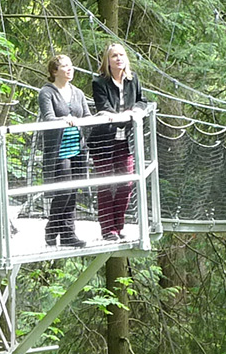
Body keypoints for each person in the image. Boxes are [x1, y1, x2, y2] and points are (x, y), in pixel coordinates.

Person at [89, 42, 146, 241]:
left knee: (126, 183)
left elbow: (141, 100)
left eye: (121, 55)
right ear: (108, 61)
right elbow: (103, 107)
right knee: (105, 185)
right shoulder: (99, 82)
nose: (119, 58)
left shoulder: (133, 79)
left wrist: (136, 110)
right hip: (104, 140)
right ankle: (107, 229)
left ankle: (118, 225)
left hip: (125, 141)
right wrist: (122, 115)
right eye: (114, 56)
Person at [37, 53, 91, 247]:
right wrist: (64, 120)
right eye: (65, 66)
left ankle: (65, 232)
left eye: (71, 65)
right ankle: (55, 230)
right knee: (64, 190)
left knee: (72, 191)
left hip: (77, 147)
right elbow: (48, 118)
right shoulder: (47, 92)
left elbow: (87, 116)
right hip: (59, 150)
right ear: (54, 71)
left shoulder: (78, 93)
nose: (70, 69)